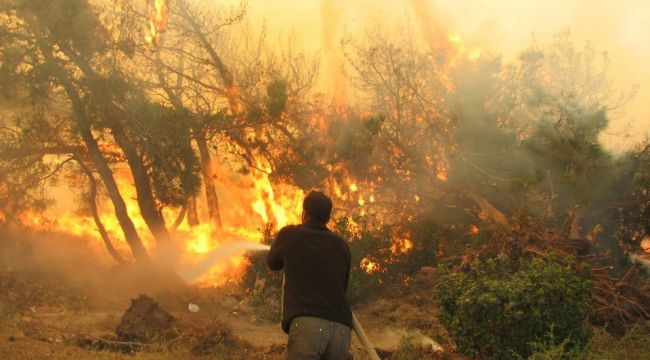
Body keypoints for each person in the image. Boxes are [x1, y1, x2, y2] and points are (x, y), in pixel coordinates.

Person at [267, 190, 352, 360]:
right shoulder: (342, 246)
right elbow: (342, 286)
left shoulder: (289, 234)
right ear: (328, 218)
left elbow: (273, 262)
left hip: (308, 326)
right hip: (341, 329)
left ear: (304, 213)